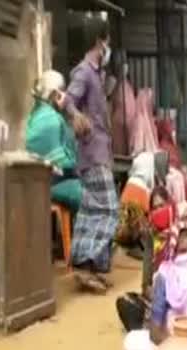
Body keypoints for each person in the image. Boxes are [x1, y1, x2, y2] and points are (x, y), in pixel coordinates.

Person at [65, 20, 119, 293]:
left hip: (98, 151)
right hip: (92, 152)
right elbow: (67, 101)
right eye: (107, 41)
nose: (108, 46)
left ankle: (91, 269)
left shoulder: (97, 74)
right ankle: (84, 262)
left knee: (91, 209)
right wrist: (77, 117)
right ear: (100, 42)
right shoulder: (84, 72)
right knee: (109, 209)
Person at [26, 70, 81, 213]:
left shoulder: (38, 113)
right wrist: (76, 166)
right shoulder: (51, 119)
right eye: (63, 92)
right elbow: (59, 162)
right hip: (51, 183)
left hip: (41, 180)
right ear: (56, 95)